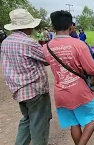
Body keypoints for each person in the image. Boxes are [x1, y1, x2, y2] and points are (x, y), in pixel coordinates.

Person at [43, 10, 94, 144]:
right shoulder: (79, 44)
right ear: (70, 26)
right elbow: (91, 69)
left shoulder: (46, 47)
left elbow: (47, 62)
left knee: (74, 123)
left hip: (60, 92)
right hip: (79, 91)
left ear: (53, 27)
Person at [1, 9, 52, 145]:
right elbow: (47, 60)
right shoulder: (28, 43)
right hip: (34, 90)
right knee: (39, 123)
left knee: (27, 119)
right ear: (26, 26)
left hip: (18, 90)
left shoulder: (6, 42)